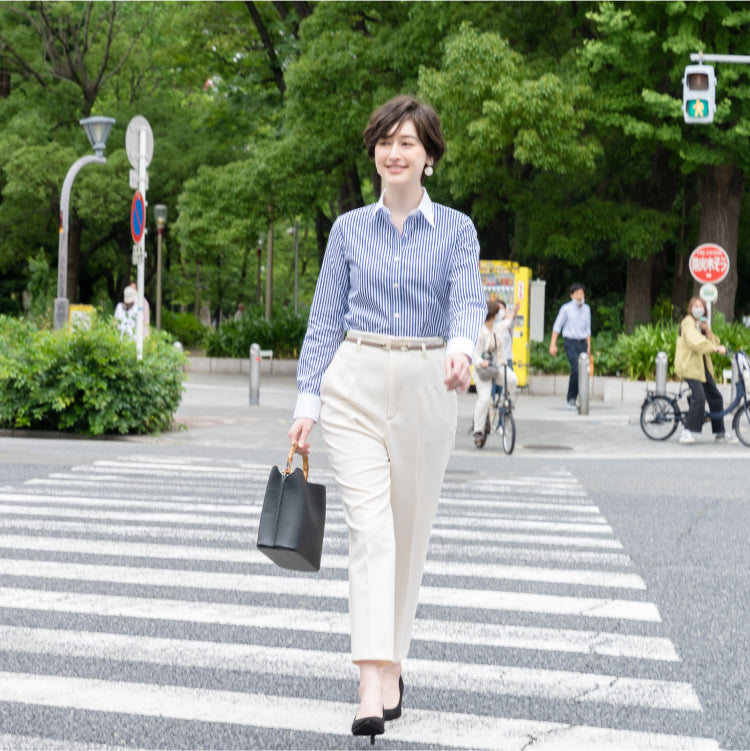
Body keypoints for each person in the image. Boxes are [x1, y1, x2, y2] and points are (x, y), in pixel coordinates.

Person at [287, 95, 485, 742]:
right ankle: (371, 678)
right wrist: (306, 403)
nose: (394, 152)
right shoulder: (347, 231)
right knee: (369, 531)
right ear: (374, 151)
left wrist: (461, 350)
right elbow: (323, 321)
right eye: (385, 140)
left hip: (429, 381)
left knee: (409, 535)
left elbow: (466, 300)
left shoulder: (457, 230)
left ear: (429, 156)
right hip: (356, 381)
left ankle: (393, 661)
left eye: (408, 142)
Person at [674, 296, 733, 444]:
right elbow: (695, 342)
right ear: (690, 308)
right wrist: (714, 347)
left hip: (702, 367)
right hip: (689, 367)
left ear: (704, 310)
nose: (698, 308)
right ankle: (686, 432)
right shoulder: (688, 323)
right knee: (699, 398)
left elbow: (713, 342)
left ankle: (719, 433)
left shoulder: (700, 324)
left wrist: (708, 331)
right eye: (695, 305)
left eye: (700, 306)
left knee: (716, 398)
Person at [473, 300, 519, 447]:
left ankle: (508, 402)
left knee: (512, 379)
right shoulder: (479, 332)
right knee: (485, 399)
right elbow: (474, 353)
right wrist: (481, 362)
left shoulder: (497, 328)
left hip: (497, 366)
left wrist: (514, 313)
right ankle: (478, 430)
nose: (499, 316)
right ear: (492, 315)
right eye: (498, 313)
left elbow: (508, 322)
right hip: (483, 371)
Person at [549, 282, 591, 410]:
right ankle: (571, 399)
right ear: (571, 295)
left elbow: (588, 329)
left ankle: (580, 397)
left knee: (584, 372)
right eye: (577, 293)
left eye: (582, 293)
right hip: (570, 342)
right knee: (576, 369)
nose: (579, 296)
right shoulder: (565, 309)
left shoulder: (587, 309)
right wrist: (553, 344)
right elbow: (557, 326)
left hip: (582, 342)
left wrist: (589, 346)